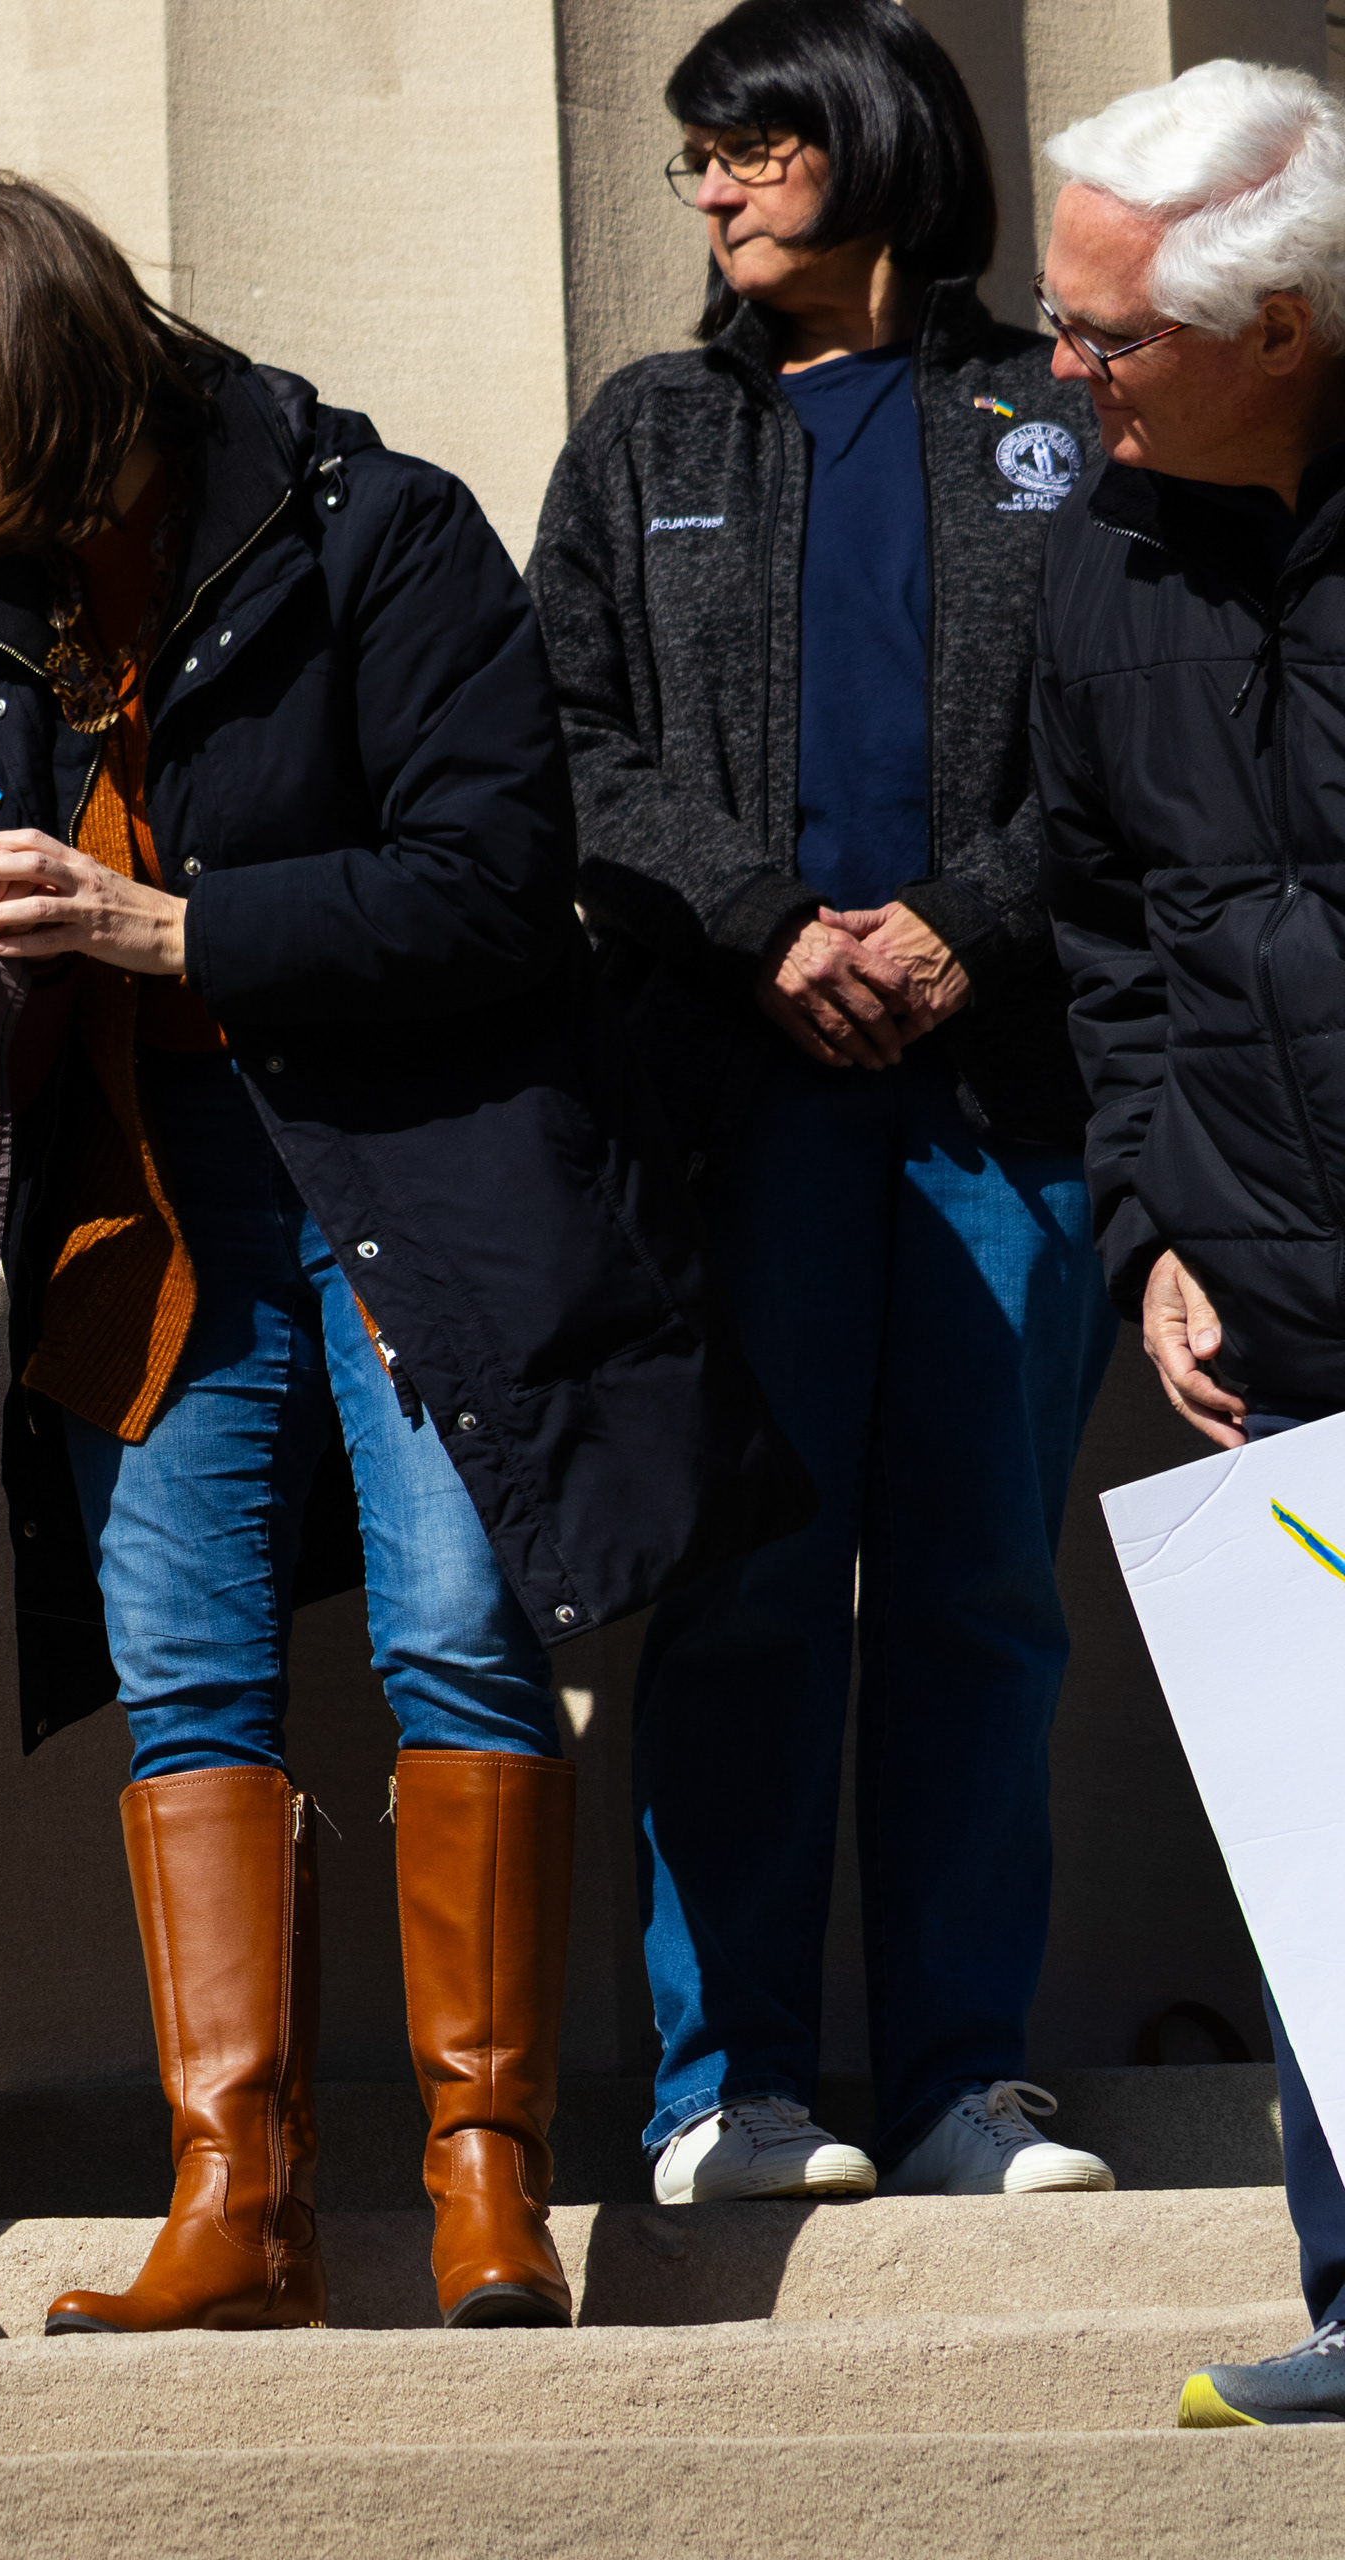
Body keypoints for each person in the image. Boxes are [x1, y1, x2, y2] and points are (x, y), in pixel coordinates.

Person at [0, 172, 799, 2333]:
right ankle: (236, 2196)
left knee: (462, 1631)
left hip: (413, 1171)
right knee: (184, 1663)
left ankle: (489, 2177)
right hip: (144, 1200)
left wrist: (176, 929)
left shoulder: (380, 525)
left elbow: (495, 881)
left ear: (31, 375)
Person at [529, 0, 1119, 2211]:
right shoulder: (648, 426)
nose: (710, 184)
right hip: (739, 1095)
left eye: (751, 143)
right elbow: (572, 738)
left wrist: (972, 920)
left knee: (978, 1581)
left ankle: (972, 2075)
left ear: (867, 142)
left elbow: (1131, 730)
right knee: (753, 1582)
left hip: (1002, 1099)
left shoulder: (1044, 415)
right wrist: (765, 920)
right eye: (694, 154)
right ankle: (733, 2088)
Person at [1030, 57, 1345, 2430]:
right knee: (1319, 1812)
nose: (1065, 380)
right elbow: (1110, 925)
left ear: (1285, 326)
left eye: (1107, 339)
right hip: (1264, 1272)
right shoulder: (1105, 554)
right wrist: (1154, 1220)